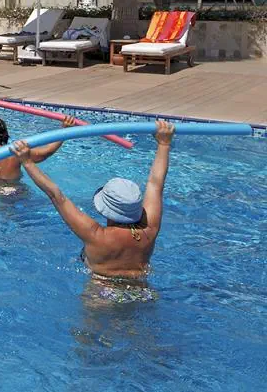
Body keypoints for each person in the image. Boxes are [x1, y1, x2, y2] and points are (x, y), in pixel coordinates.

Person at [10, 120, 175, 286]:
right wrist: (164, 144)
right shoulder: (149, 229)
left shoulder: (96, 235)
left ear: (105, 208)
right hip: (140, 290)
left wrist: (27, 162)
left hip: (102, 292)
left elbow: (56, 195)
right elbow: (156, 184)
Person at [0, 95, 74, 193]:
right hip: (13, 190)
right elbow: (47, 152)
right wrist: (64, 130)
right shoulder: (17, 154)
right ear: (5, 133)